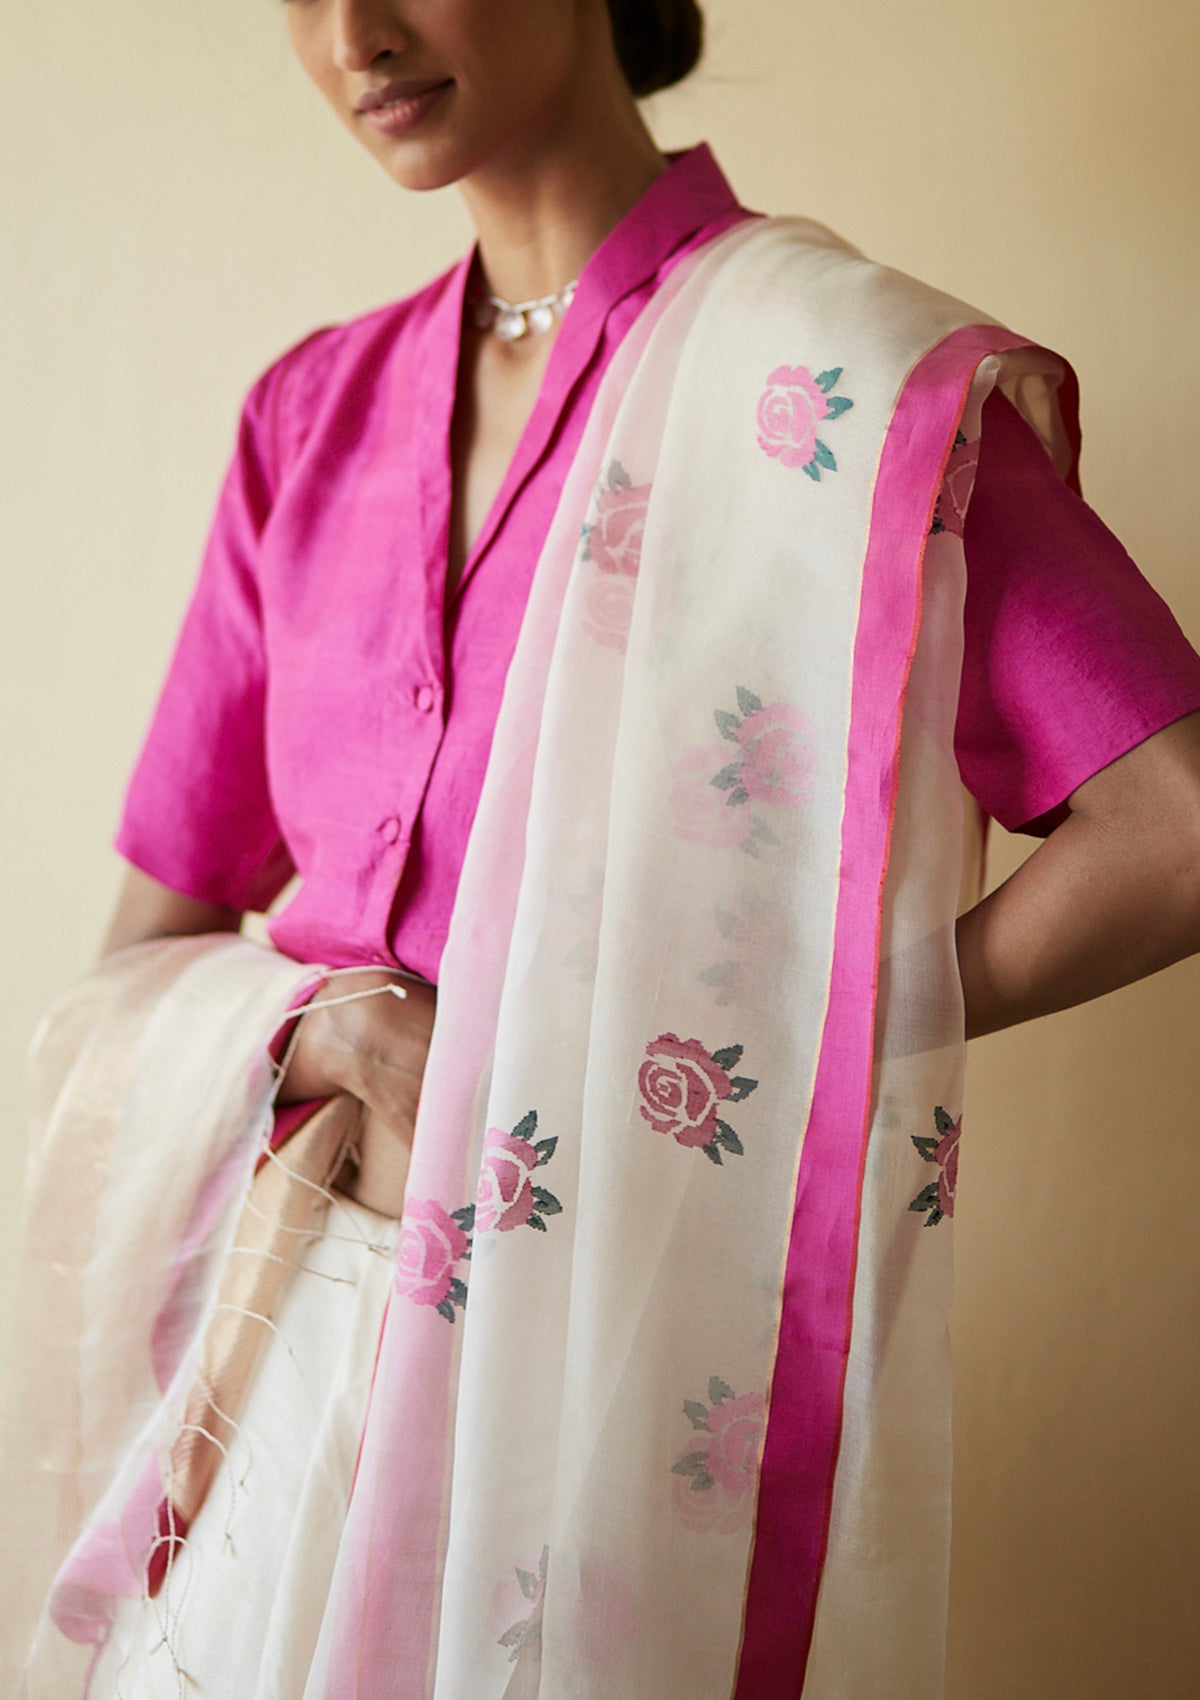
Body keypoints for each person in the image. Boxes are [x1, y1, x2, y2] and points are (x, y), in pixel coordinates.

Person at [5, 2, 1200, 1696]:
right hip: (273, 1366)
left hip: (612, 1357)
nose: (356, 30)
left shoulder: (839, 393)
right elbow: (138, 966)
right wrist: (314, 1024)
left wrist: (765, 1047)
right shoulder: (313, 415)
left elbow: (1172, 833)